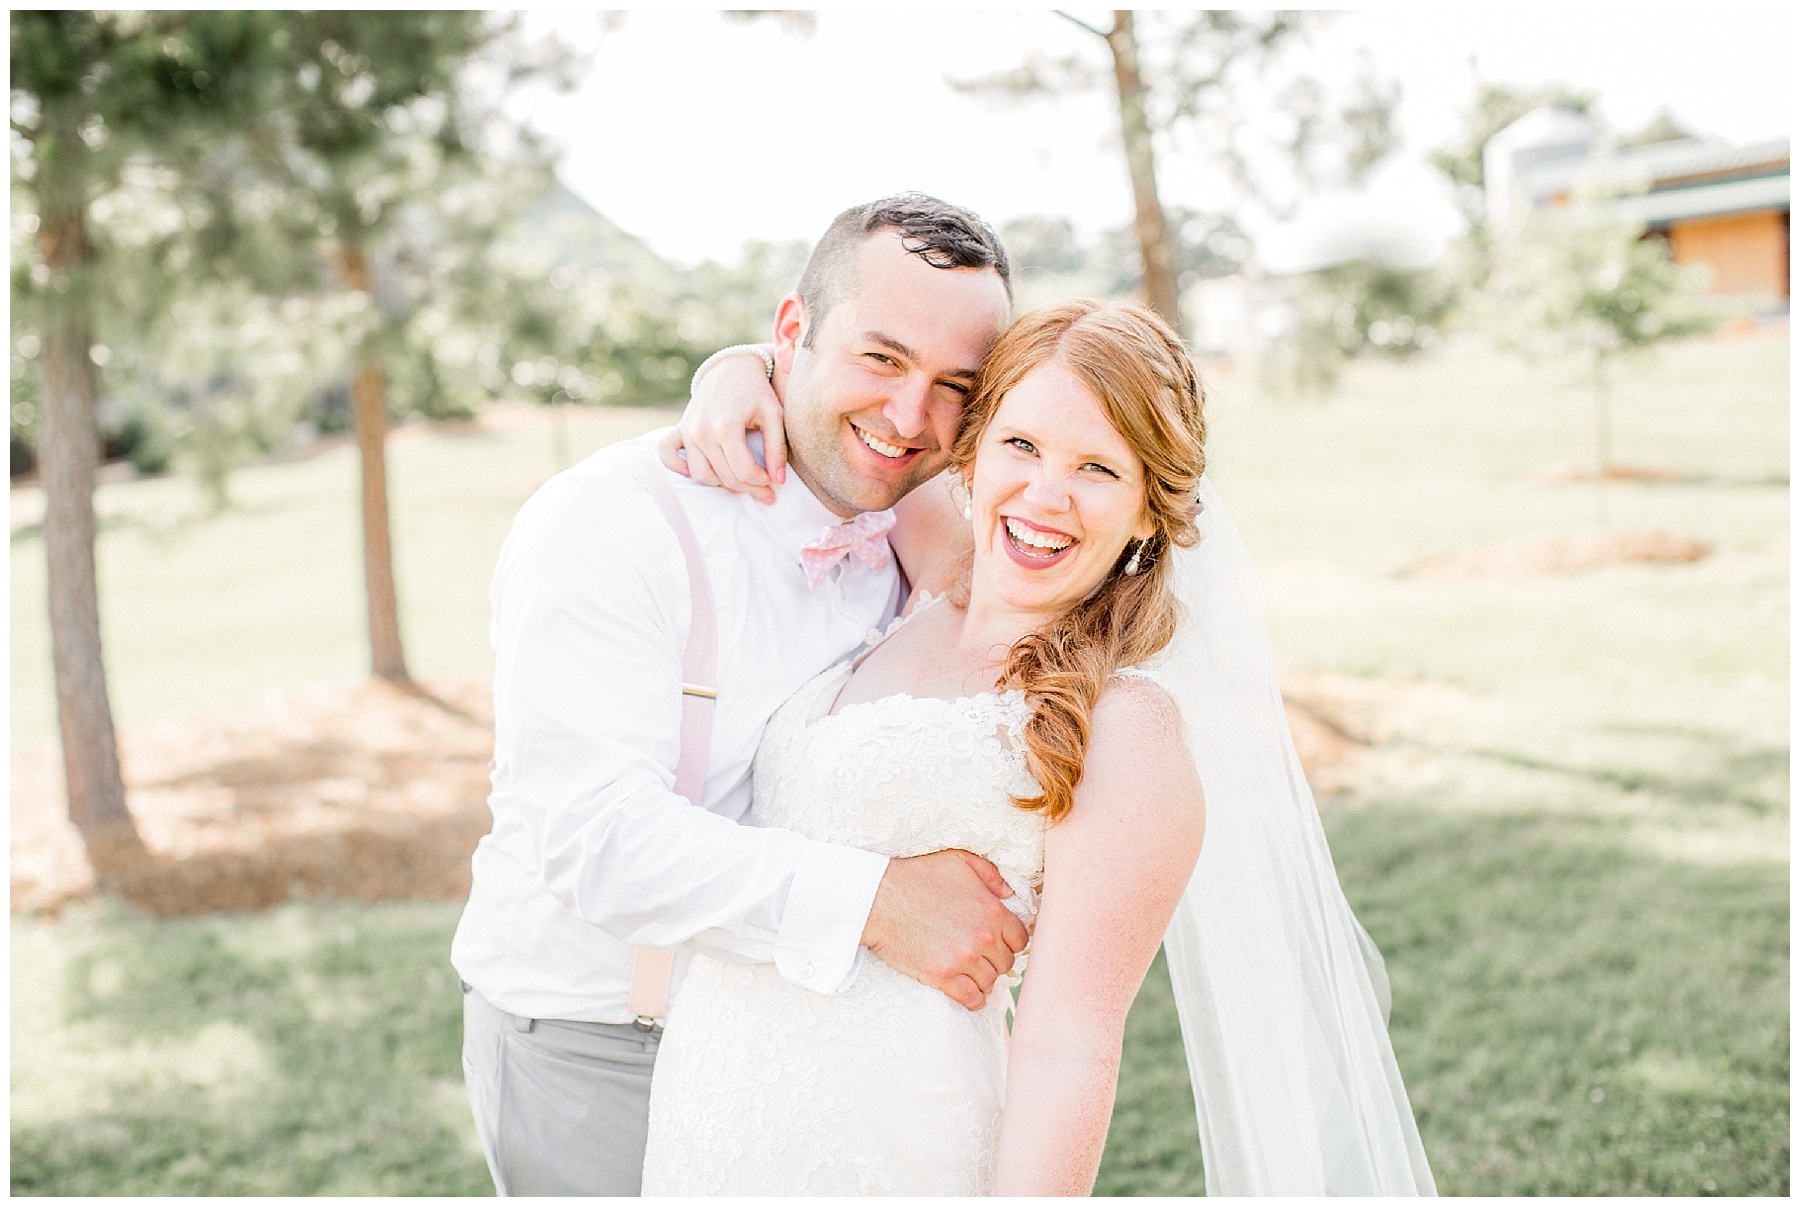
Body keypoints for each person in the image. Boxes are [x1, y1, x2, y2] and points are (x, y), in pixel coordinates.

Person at [647, 300, 1437, 1195]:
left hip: (890, 1149)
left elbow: (1070, 1048)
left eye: (1098, 467)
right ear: (972, 456)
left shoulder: (1123, 727)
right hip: (712, 1121)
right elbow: (864, 391)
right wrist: (737, 366)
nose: (1044, 495)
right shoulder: (925, 571)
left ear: (1148, 510)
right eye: (1021, 446)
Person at [449, 194, 1036, 1196]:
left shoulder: (924, 521)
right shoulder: (611, 523)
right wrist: (877, 904)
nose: (910, 418)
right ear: (793, 333)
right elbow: (598, 841)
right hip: (606, 1047)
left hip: (814, 1045)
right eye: (882, 359)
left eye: (955, 386)